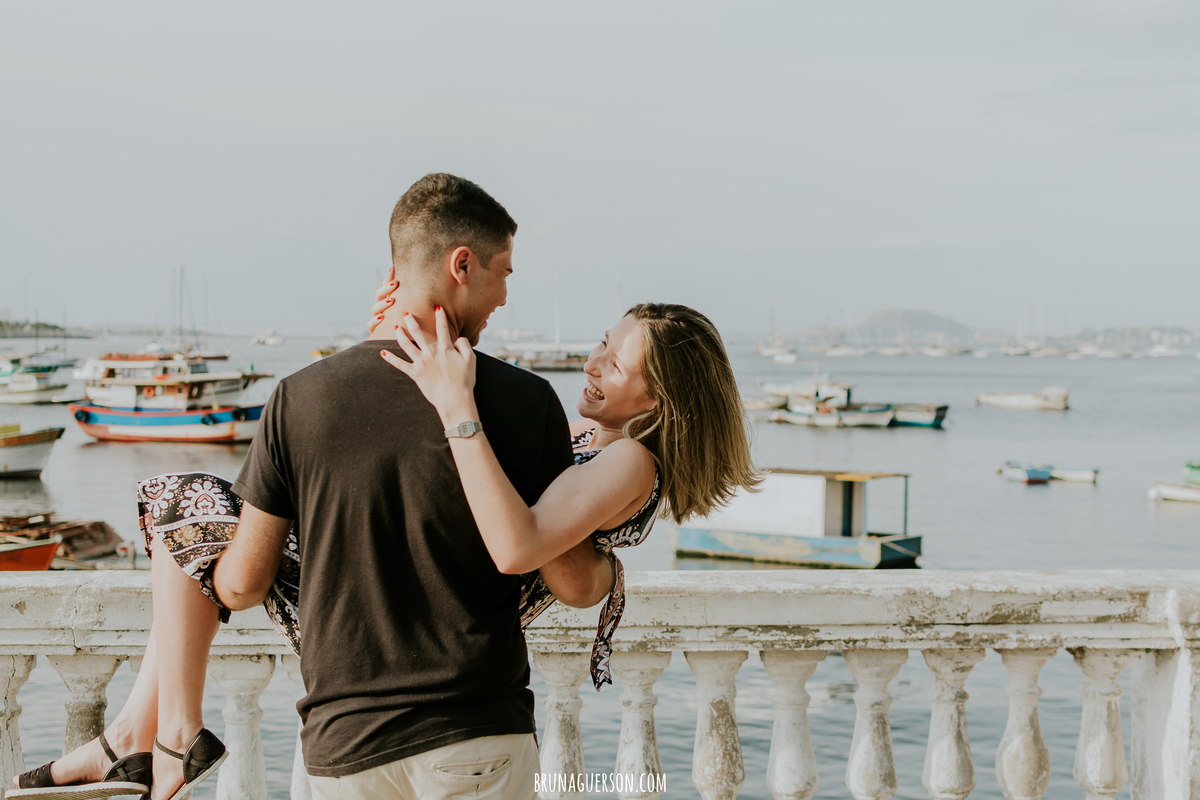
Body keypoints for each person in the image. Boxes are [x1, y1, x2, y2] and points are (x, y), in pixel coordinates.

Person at [12, 173, 615, 800]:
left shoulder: (299, 398)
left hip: (346, 746)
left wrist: (199, 556)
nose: (505, 297)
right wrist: (609, 568)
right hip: (478, 733)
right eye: (505, 273)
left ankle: (150, 737)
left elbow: (243, 584)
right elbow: (569, 578)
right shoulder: (526, 401)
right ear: (462, 264)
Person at [375, 299, 761, 689]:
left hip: (451, 647)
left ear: (656, 399)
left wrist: (458, 405)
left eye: (615, 366)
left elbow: (518, 548)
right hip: (440, 627)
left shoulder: (632, 459)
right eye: (602, 345)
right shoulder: (580, 434)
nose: (591, 364)